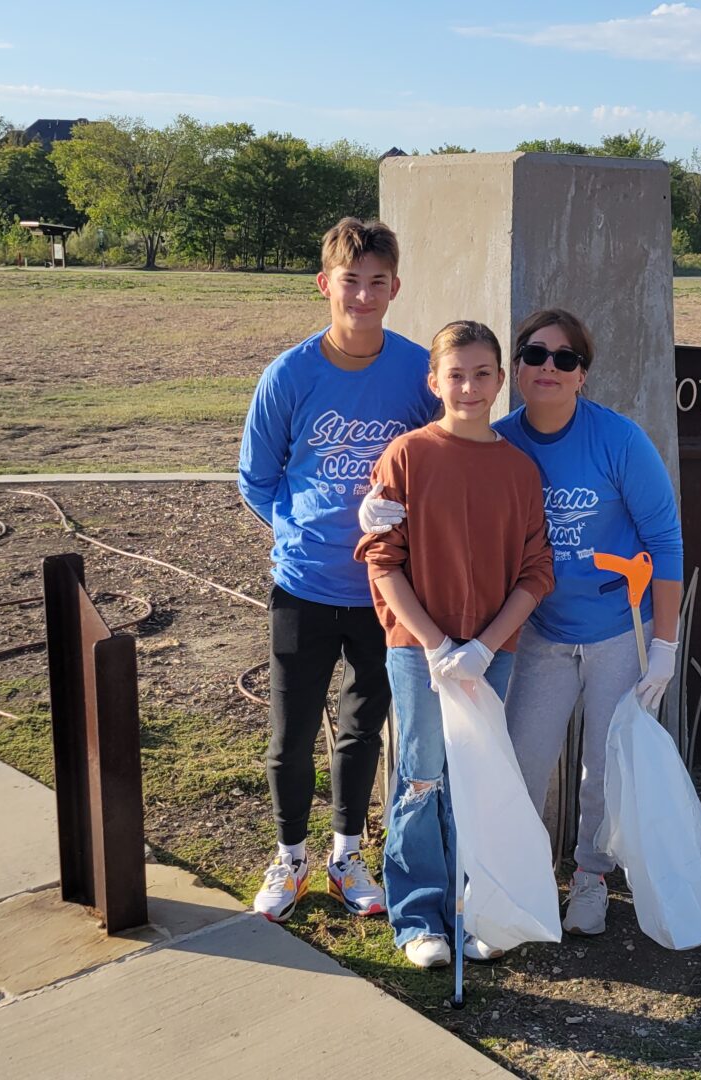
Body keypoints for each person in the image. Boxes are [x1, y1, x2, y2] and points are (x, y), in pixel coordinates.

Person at [361, 308, 683, 937]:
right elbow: (434, 506)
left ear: (582, 373)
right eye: (536, 354)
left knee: (604, 765)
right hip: (538, 637)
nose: (549, 368)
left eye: (565, 359)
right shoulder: (502, 442)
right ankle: (512, 884)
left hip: (618, 630)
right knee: (517, 770)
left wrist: (666, 643)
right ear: (519, 367)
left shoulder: (617, 441)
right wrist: (372, 508)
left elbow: (664, 541)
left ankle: (590, 876)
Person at [237, 217, 438, 923]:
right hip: (304, 587)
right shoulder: (290, 375)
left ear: (395, 288)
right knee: (291, 733)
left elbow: (441, 457)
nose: (363, 295)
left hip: (385, 591)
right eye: (350, 282)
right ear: (325, 285)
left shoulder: (418, 373)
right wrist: (299, 535)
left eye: (377, 282)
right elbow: (255, 479)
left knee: (363, 727)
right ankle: (290, 856)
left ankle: (346, 854)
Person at [355, 320, 553, 969]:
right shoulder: (407, 456)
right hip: (419, 652)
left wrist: (485, 647)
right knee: (422, 776)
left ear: (500, 381)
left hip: (491, 653)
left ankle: (479, 905)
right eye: (455, 374)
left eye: (481, 374)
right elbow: (383, 560)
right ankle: (419, 916)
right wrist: (437, 643)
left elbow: (534, 572)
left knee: (481, 776)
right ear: (434, 381)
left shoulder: (519, 470)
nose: (468, 387)